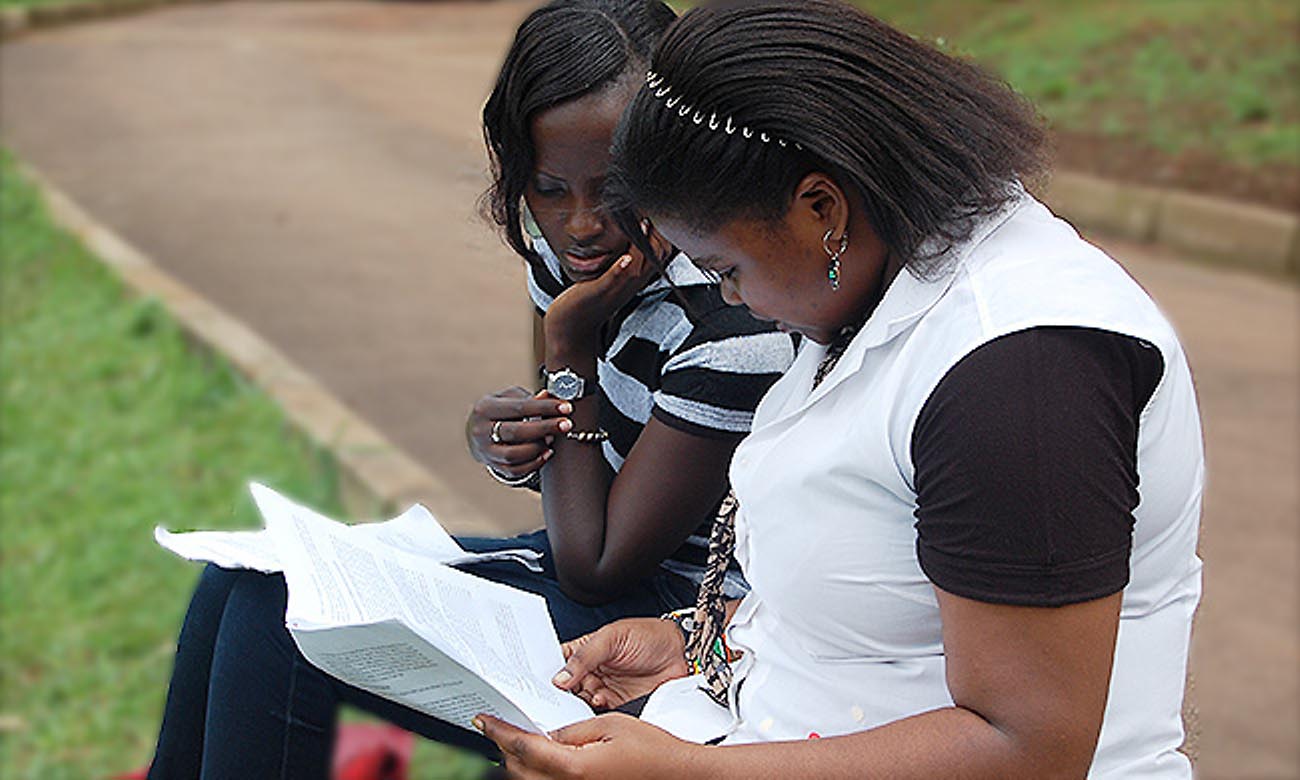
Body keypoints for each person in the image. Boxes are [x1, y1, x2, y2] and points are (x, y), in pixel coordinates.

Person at [473, 1, 1205, 778]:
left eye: (727, 268)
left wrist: (690, 772)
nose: (728, 299)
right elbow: (883, 607)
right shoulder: (880, 284)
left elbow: (1028, 746)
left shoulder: (1021, 374)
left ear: (822, 208)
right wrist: (701, 643)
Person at [145, 2, 794, 777]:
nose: (583, 225)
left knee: (272, 617)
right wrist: (509, 444)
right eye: (550, 190)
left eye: (614, 186)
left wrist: (569, 349)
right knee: (241, 579)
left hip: (684, 630)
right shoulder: (577, 267)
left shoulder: (731, 322)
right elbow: (570, 452)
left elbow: (598, 563)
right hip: (596, 566)